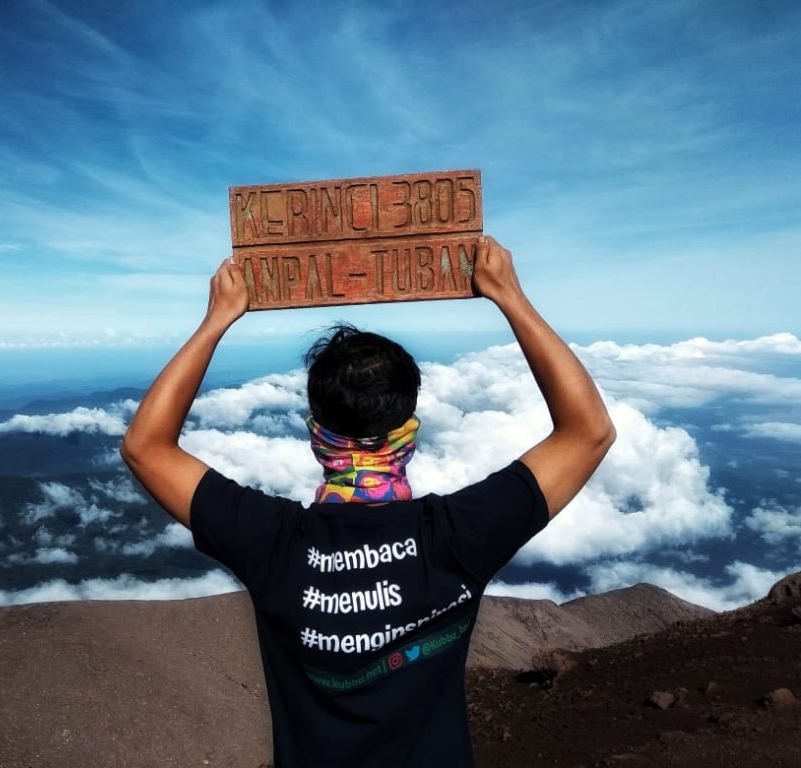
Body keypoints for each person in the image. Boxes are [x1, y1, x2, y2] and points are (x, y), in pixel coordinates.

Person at [120, 235, 616, 767]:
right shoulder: (456, 537)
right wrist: (510, 296)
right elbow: (588, 431)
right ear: (408, 430)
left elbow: (145, 446)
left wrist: (217, 320)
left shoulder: (270, 541)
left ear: (317, 432)